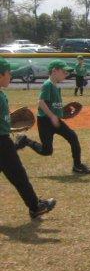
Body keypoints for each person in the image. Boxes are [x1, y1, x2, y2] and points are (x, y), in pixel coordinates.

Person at [0, 58, 56, 218]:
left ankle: (35, 205)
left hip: (3, 138)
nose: (11, 75)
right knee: (19, 175)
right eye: (9, 73)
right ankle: (35, 206)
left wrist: (6, 124)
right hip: (2, 143)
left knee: (17, 175)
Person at [15, 60, 90, 174]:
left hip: (55, 120)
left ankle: (77, 165)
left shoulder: (55, 86)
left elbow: (52, 105)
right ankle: (26, 141)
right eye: (64, 72)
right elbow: (41, 102)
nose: (66, 75)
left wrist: (62, 112)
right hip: (45, 121)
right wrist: (52, 116)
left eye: (67, 73)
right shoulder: (48, 85)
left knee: (73, 137)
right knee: (46, 151)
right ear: (54, 71)